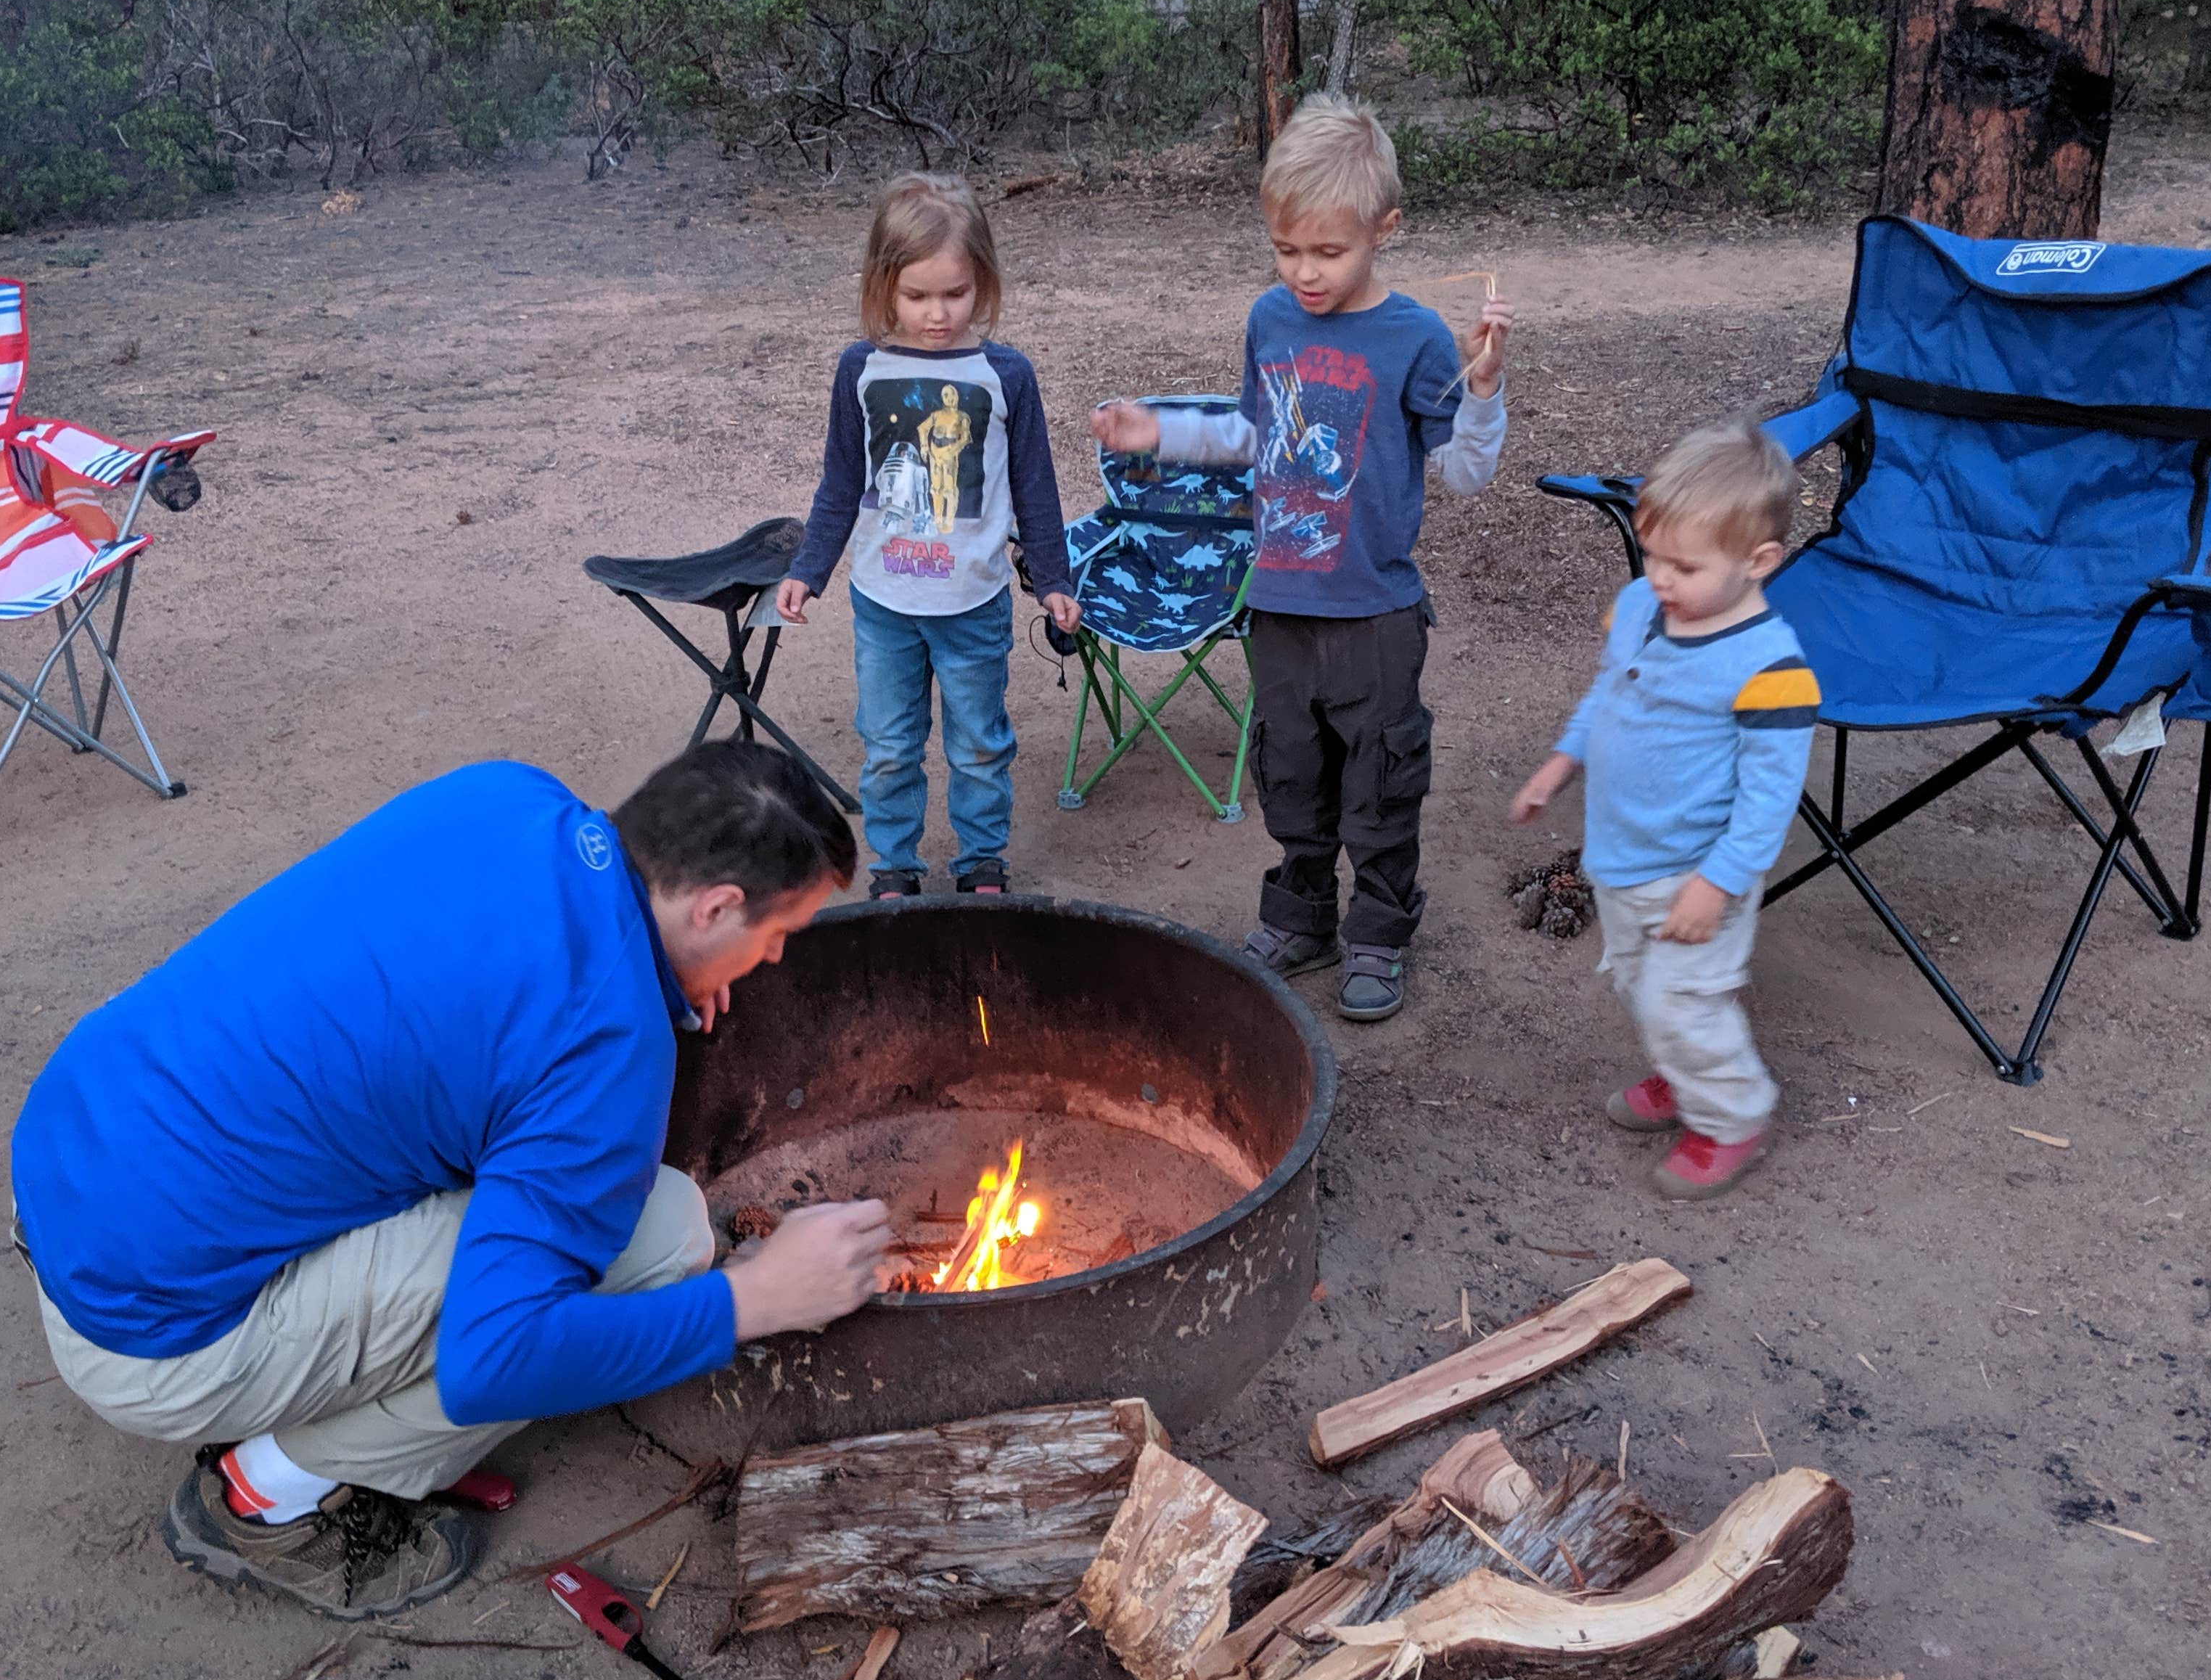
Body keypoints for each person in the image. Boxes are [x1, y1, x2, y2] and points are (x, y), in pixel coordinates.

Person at [7, 743, 895, 1620]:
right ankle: (266, 1494)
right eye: (777, 936)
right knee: (663, 1233)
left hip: (73, 1161)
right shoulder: (604, 1052)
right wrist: (756, 1298)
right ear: (717, 907)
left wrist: (653, 980)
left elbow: (488, 998)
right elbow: (492, 1360)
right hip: (148, 1340)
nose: (776, 959)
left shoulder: (508, 797)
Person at [1091, 96, 1511, 1020]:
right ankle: (1303, 917)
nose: (1306, 272)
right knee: (1293, 774)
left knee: (1381, 779)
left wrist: (1483, 390)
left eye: (1328, 251)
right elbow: (1252, 436)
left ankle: (1377, 934)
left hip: (1374, 611)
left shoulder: (1416, 338)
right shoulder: (1270, 319)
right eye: (1287, 250)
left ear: (1384, 230)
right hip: (1280, 601)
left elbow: (1469, 474)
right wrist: (1157, 430)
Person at [1508, 422, 1821, 1200]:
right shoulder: (1643, 607)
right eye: (1653, 555)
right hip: (1621, 857)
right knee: (1640, 984)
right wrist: (1561, 762)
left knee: (1679, 995)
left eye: (1686, 565)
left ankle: (1732, 1115)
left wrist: (1718, 883)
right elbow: (1608, 696)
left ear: (1759, 563)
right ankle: (1685, 1073)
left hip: (1695, 871)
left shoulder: (1769, 669)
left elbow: (1769, 797)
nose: (1661, 579)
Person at [777, 173, 1083, 900]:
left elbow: (1034, 491)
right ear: (885, 285)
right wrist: (809, 568)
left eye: (956, 294)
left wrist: (1057, 580)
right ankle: (895, 868)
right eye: (917, 296)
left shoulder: (1005, 375)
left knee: (979, 744)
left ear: (984, 282)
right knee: (888, 747)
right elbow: (841, 481)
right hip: (884, 602)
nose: (938, 314)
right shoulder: (862, 369)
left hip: (972, 601)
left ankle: (981, 859)